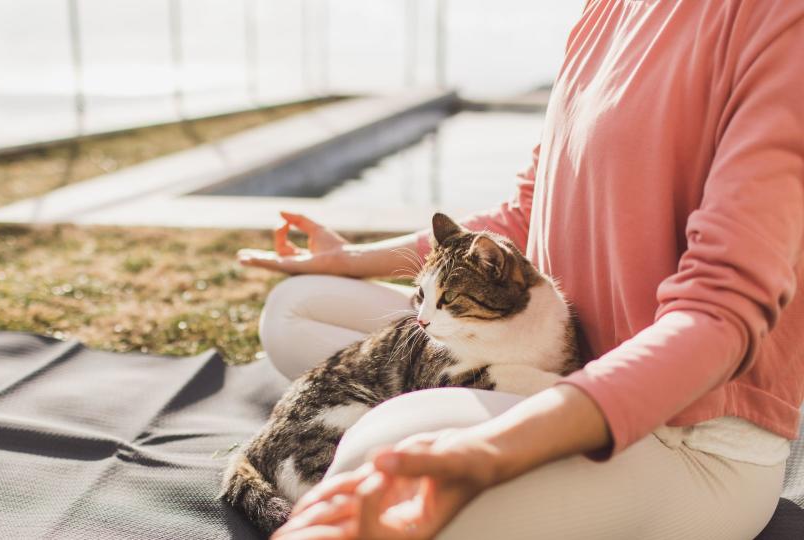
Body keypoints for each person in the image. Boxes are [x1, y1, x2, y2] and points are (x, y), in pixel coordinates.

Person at [237, 1, 804, 538]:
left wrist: (488, 451)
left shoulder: (781, 21)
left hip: (682, 439)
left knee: (372, 455)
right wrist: (351, 259)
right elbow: (523, 212)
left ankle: (438, 414)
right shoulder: (602, 11)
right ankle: (442, 404)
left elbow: (721, 314)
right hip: (555, 353)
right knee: (298, 308)